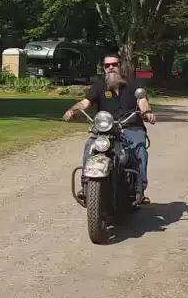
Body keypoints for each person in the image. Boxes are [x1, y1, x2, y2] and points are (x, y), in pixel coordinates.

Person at [62, 53, 156, 205]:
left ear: (121, 66)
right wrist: (73, 110)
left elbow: (143, 101)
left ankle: (140, 188)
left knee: (140, 150)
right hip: (105, 129)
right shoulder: (99, 86)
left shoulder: (133, 84)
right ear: (103, 68)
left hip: (130, 126)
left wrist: (147, 113)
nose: (110, 68)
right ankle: (86, 185)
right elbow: (85, 103)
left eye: (114, 64)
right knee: (90, 147)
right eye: (107, 65)